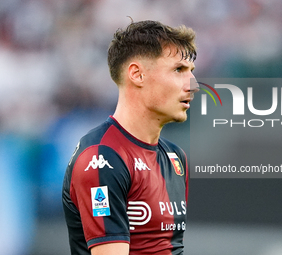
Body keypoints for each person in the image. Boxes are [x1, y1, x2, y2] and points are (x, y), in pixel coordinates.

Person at [62, 20, 197, 255]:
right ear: (137, 74)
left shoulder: (175, 158)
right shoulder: (101, 157)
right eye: (178, 70)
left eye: (191, 72)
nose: (192, 85)